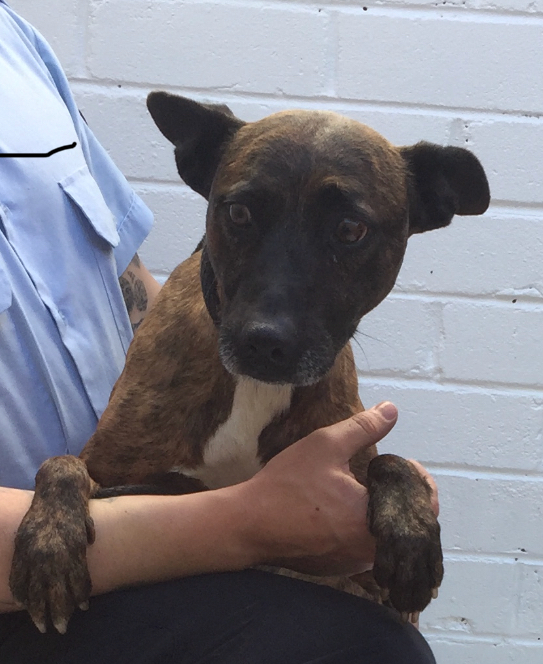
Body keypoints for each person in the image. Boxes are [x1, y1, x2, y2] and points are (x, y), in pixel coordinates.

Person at [0, 2, 438, 662]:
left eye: (348, 232)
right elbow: (96, 478)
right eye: (240, 216)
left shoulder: (20, 46)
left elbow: (123, 275)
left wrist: (392, 487)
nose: (270, 323)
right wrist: (249, 519)